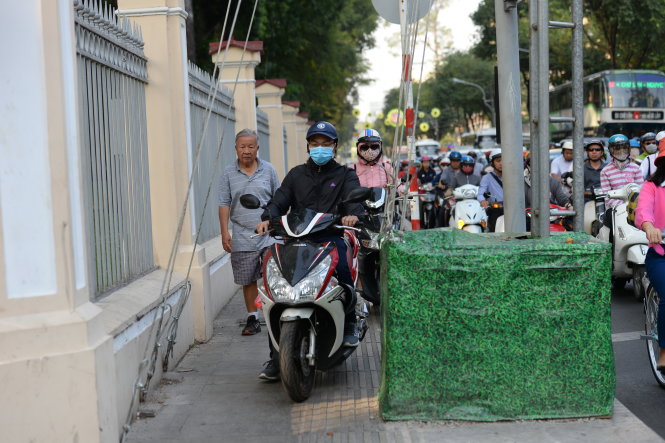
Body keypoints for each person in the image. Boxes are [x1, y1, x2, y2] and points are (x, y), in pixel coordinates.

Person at [255, 121, 364, 380]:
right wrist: (267, 218)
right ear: (308, 146)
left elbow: (354, 201)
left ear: (335, 146)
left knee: (343, 272)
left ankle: (348, 325)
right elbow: (279, 200)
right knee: (275, 286)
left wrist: (353, 216)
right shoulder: (295, 175)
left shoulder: (345, 175)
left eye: (325, 144)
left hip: (329, 239)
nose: (320, 148)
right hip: (295, 241)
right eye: (315, 144)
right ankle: (275, 358)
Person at [218, 129, 280, 336]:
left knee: (274, 275)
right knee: (248, 278)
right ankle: (252, 317)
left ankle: (276, 314)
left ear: (257, 148)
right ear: (236, 148)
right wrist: (224, 232)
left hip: (268, 234)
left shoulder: (268, 170)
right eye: (242, 146)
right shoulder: (228, 173)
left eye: (250, 146)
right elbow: (224, 203)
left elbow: (278, 200)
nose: (246, 151)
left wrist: (275, 222)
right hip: (242, 234)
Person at [635, 140, 665, 374]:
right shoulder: (652, 186)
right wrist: (649, 227)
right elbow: (643, 210)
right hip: (660, 254)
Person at [600, 133, 644, 209]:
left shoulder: (636, 168)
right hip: (614, 210)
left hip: (635, 208)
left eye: (624, 148)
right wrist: (623, 206)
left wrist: (632, 205)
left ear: (629, 149)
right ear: (611, 150)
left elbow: (641, 191)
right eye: (617, 148)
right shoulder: (605, 171)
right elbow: (607, 195)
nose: (621, 151)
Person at [478, 149, 504, 231]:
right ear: (492, 163)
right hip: (496, 210)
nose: (501, 163)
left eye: (503, 160)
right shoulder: (487, 178)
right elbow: (480, 193)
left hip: (514, 210)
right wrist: (483, 201)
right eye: (498, 161)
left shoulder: (513, 176)